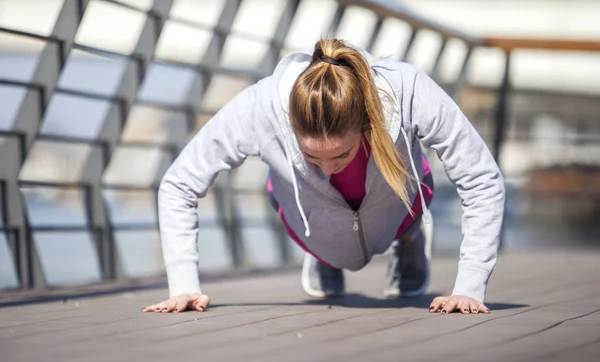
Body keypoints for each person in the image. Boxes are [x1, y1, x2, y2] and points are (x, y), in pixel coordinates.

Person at [142, 38, 505, 315]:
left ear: (366, 123)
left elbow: (481, 178)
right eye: (310, 155)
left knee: (407, 196)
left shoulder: (409, 91)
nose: (327, 168)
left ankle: (410, 240)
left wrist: (469, 287)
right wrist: (183, 284)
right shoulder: (258, 108)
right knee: (322, 222)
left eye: (341, 154)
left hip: (399, 202)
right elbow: (179, 184)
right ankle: (323, 253)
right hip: (310, 215)